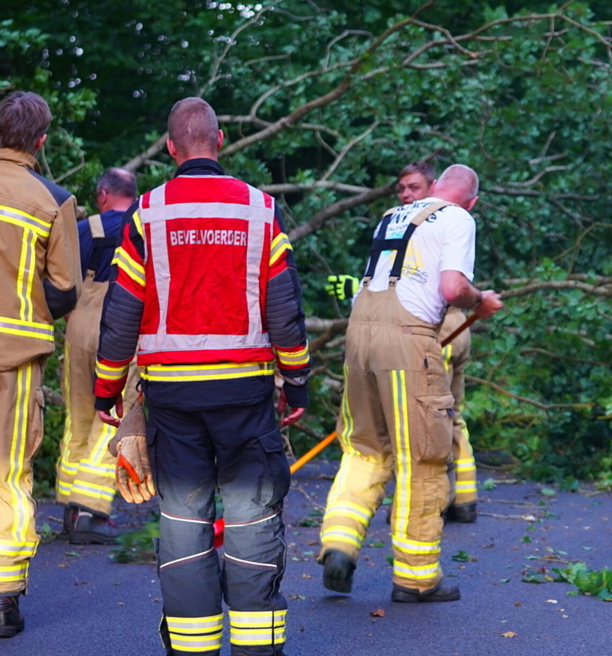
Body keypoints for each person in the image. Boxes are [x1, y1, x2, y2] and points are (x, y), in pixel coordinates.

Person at [94, 97, 310, 656]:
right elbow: (283, 308)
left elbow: (121, 315)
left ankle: (192, 648)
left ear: (171, 148)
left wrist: (107, 390)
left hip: (172, 397)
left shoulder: (147, 213)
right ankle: (257, 644)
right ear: (218, 141)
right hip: (245, 392)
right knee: (252, 512)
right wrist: (298, 378)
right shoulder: (260, 210)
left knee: (183, 518)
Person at [317, 164, 502, 602]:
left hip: (358, 336)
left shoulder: (394, 215)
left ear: (434, 188)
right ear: (471, 201)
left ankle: (339, 545)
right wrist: (481, 302)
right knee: (422, 456)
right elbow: (453, 287)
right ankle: (416, 580)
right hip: (408, 341)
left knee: (365, 449)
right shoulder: (460, 217)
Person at [326, 161, 480, 524]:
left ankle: (433, 504)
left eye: (414, 188)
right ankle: (461, 500)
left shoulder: (436, 219)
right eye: (402, 189)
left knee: (422, 432)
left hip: (430, 334)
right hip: (414, 330)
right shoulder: (419, 220)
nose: (407, 195)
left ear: (434, 187)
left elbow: (447, 286)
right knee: (445, 418)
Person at [0, 91, 81, 638]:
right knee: (5, 473)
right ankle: (0, 602)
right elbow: (66, 293)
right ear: (41, 141)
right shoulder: (51, 198)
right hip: (15, 357)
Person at [57, 168, 140, 544]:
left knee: (78, 414)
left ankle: (70, 509)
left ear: (104, 194)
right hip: (122, 327)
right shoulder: (144, 223)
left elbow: (63, 280)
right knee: (113, 415)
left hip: (81, 324)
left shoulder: (84, 227)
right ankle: (91, 509)